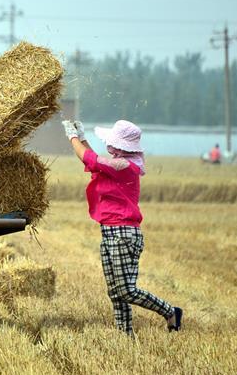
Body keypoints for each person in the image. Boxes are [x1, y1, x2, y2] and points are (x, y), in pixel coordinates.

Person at [62, 119, 183, 335]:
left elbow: (90, 158)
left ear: (121, 146)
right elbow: (94, 162)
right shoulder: (118, 164)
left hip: (123, 234)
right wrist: (82, 137)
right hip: (110, 232)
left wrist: (72, 137)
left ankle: (170, 311)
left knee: (126, 290)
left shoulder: (124, 166)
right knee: (115, 292)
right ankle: (124, 335)